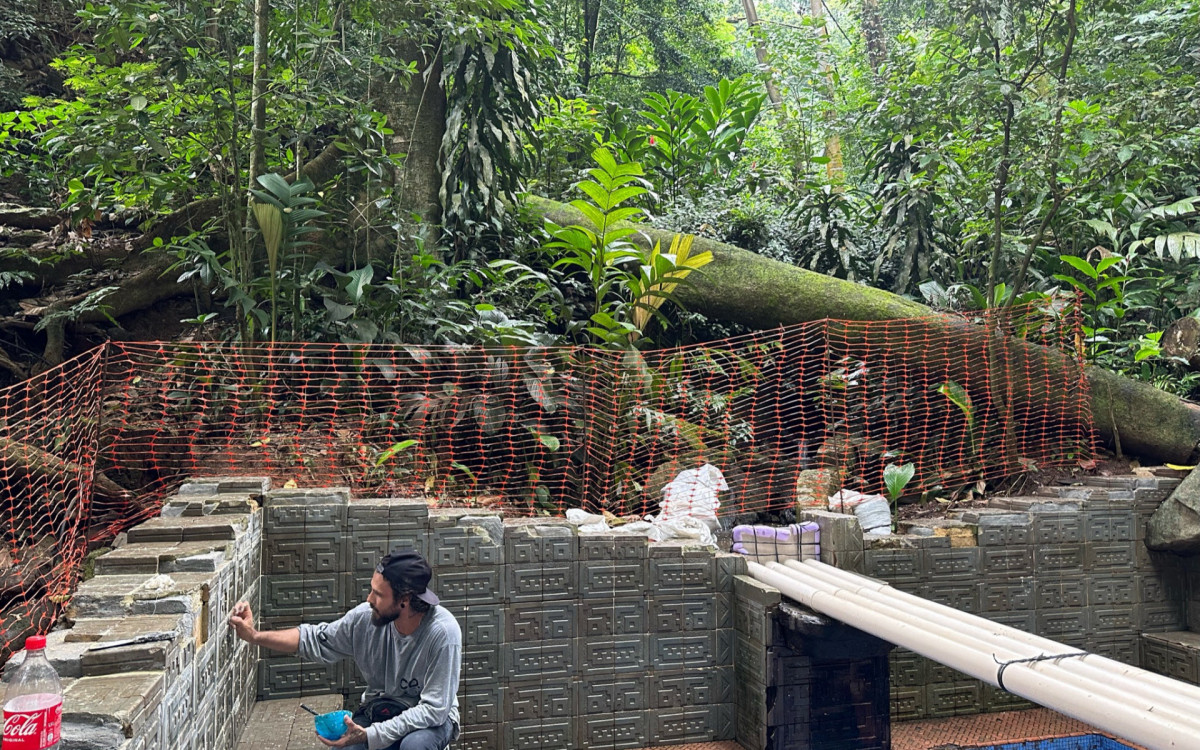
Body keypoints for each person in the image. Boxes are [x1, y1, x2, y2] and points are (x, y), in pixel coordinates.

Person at [228, 549, 461, 750]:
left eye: (378, 594)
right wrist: (254, 636)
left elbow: (434, 710)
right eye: (371, 590)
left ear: (405, 600)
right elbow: (313, 639)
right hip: (379, 708)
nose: (369, 599)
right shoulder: (364, 619)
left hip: (429, 720)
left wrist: (372, 735)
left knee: (414, 745)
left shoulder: (442, 632)